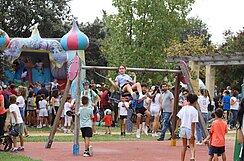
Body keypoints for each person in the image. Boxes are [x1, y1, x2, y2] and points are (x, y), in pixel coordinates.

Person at [174, 94, 199, 161]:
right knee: (192, 144)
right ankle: (192, 156)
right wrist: (193, 134)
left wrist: (176, 128)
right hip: (189, 128)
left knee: (184, 146)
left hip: (183, 127)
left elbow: (178, 119)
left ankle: (182, 159)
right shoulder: (194, 111)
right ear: (195, 101)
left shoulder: (184, 108)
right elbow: (193, 123)